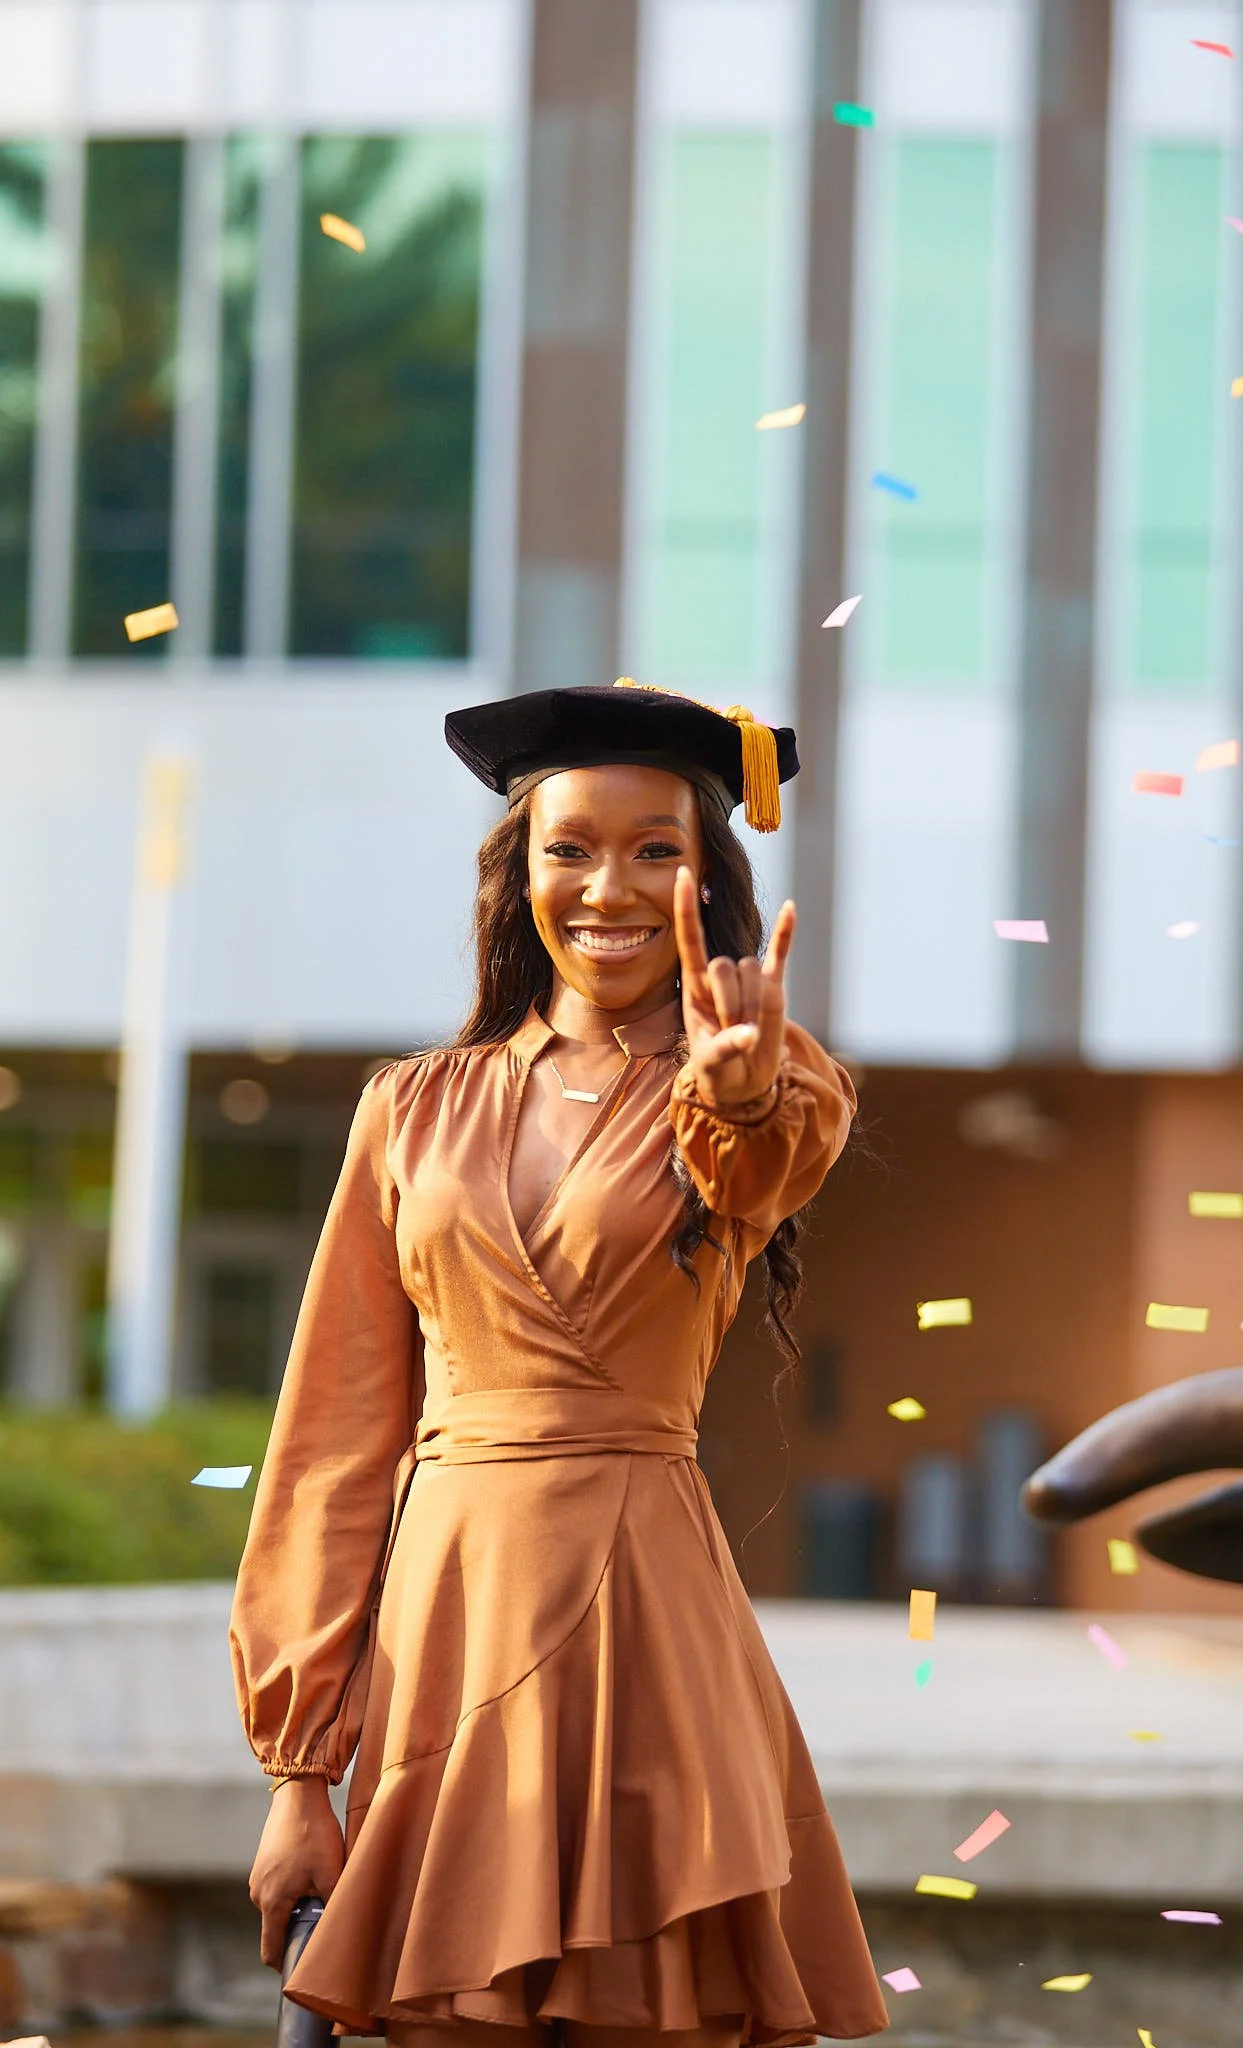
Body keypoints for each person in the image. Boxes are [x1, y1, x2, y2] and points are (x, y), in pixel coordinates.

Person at [230, 681, 888, 2048]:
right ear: (517, 873)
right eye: (571, 848)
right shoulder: (410, 1110)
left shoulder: (763, 1082)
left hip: (651, 1626)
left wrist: (742, 1084)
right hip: (446, 1638)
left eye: (659, 849)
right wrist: (300, 1770)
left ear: (709, 881)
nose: (612, 888)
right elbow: (329, 1447)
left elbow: (767, 1161)